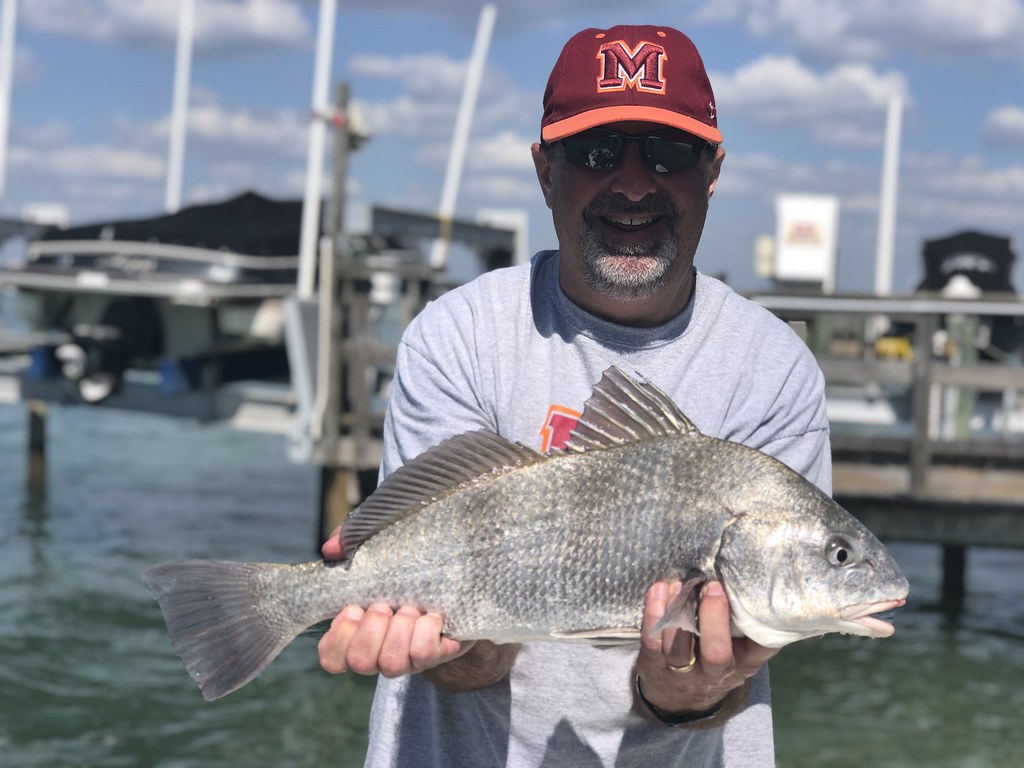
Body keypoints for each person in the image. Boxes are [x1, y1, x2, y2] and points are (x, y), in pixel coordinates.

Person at [319, 24, 830, 767]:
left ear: (712, 171)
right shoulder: (458, 334)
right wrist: (451, 642)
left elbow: (711, 681)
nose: (631, 183)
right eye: (594, 153)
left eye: (667, 152)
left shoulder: (774, 368)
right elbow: (469, 665)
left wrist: (682, 684)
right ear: (543, 170)